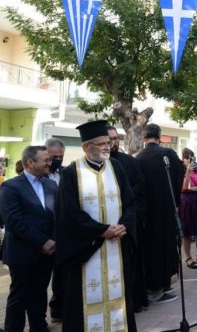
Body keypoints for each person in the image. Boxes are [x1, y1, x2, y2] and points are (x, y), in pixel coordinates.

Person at [55, 120, 137, 331]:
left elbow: (130, 202)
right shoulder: (72, 173)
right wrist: (101, 231)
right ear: (86, 147)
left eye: (108, 142)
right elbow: (69, 213)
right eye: (102, 143)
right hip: (86, 249)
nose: (108, 147)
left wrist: (123, 226)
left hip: (117, 246)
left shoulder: (116, 168)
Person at [0, 146, 57, 332]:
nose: (50, 163)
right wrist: (42, 242)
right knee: (20, 295)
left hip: (48, 252)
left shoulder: (51, 185)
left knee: (39, 292)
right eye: (45, 160)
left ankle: (38, 326)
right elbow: (13, 221)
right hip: (22, 251)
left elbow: (58, 216)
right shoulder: (10, 187)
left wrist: (53, 240)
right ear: (30, 163)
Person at [136, 123, 183, 304]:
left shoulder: (138, 158)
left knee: (151, 249)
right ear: (160, 136)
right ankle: (161, 287)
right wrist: (176, 203)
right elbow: (179, 178)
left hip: (148, 214)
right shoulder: (168, 154)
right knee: (166, 247)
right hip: (166, 210)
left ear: (143, 138)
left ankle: (155, 285)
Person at [107, 126, 148, 312]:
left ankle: (133, 302)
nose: (112, 142)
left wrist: (124, 195)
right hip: (106, 225)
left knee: (131, 262)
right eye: (109, 139)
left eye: (115, 138)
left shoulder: (129, 162)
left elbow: (140, 184)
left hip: (129, 220)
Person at [43, 137, 66, 321]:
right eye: (54, 157)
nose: (57, 160)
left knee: (61, 275)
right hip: (43, 235)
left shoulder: (66, 173)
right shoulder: (38, 175)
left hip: (63, 232)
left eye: (60, 156)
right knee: (40, 280)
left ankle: (58, 310)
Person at [179, 148, 197, 269]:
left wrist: (192, 189)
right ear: (183, 159)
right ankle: (188, 257)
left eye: (191, 158)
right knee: (187, 231)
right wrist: (188, 172)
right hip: (185, 201)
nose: (189, 161)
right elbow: (184, 187)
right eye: (187, 158)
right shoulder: (181, 171)